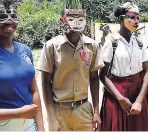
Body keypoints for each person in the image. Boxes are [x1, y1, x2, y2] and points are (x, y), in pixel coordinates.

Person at [36, 2, 103, 131]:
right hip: (59, 111)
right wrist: (51, 117)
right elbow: (45, 83)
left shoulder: (92, 46)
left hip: (83, 110)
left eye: (80, 18)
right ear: (63, 20)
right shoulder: (51, 47)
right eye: (71, 18)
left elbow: (94, 78)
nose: (76, 23)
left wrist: (96, 111)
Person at [99, 1, 148, 131]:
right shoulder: (111, 42)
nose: (136, 21)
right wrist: (121, 99)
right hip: (116, 94)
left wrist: (139, 100)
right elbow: (103, 75)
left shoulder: (139, 43)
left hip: (137, 92)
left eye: (138, 18)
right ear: (122, 19)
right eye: (132, 17)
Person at [0, 1, 44, 131]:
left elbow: (34, 90)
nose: (9, 20)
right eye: (1, 16)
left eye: (13, 16)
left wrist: (41, 128)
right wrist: (18, 113)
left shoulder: (25, 50)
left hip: (29, 125)